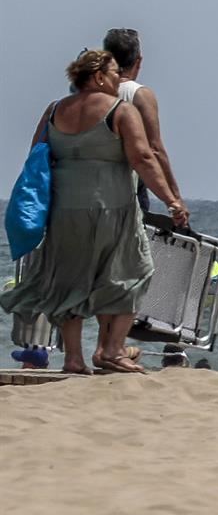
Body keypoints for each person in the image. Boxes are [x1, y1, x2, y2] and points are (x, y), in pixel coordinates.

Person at [0, 49, 187, 374]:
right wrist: (171, 199)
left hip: (64, 213)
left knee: (69, 282)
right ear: (98, 76)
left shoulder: (56, 109)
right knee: (134, 272)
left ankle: (73, 358)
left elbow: (37, 154)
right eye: (114, 73)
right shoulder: (121, 111)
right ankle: (112, 349)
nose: (119, 79)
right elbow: (143, 158)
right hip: (111, 209)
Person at [100, 28, 183, 220]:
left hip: (88, 190)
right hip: (127, 190)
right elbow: (154, 150)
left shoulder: (88, 95)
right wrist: (175, 200)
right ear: (138, 61)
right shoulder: (139, 95)